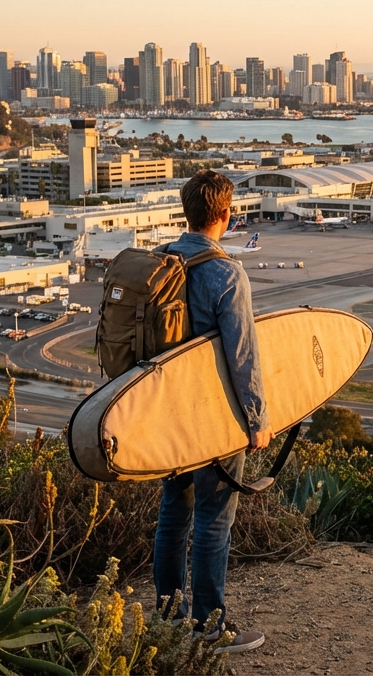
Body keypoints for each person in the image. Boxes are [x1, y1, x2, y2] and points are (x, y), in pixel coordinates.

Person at [152, 170, 270, 653]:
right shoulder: (225, 272)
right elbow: (244, 355)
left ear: (187, 212)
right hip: (212, 416)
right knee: (214, 519)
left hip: (163, 410)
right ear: (226, 214)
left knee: (172, 515)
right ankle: (209, 628)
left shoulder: (160, 262)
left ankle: (167, 619)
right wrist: (257, 420)